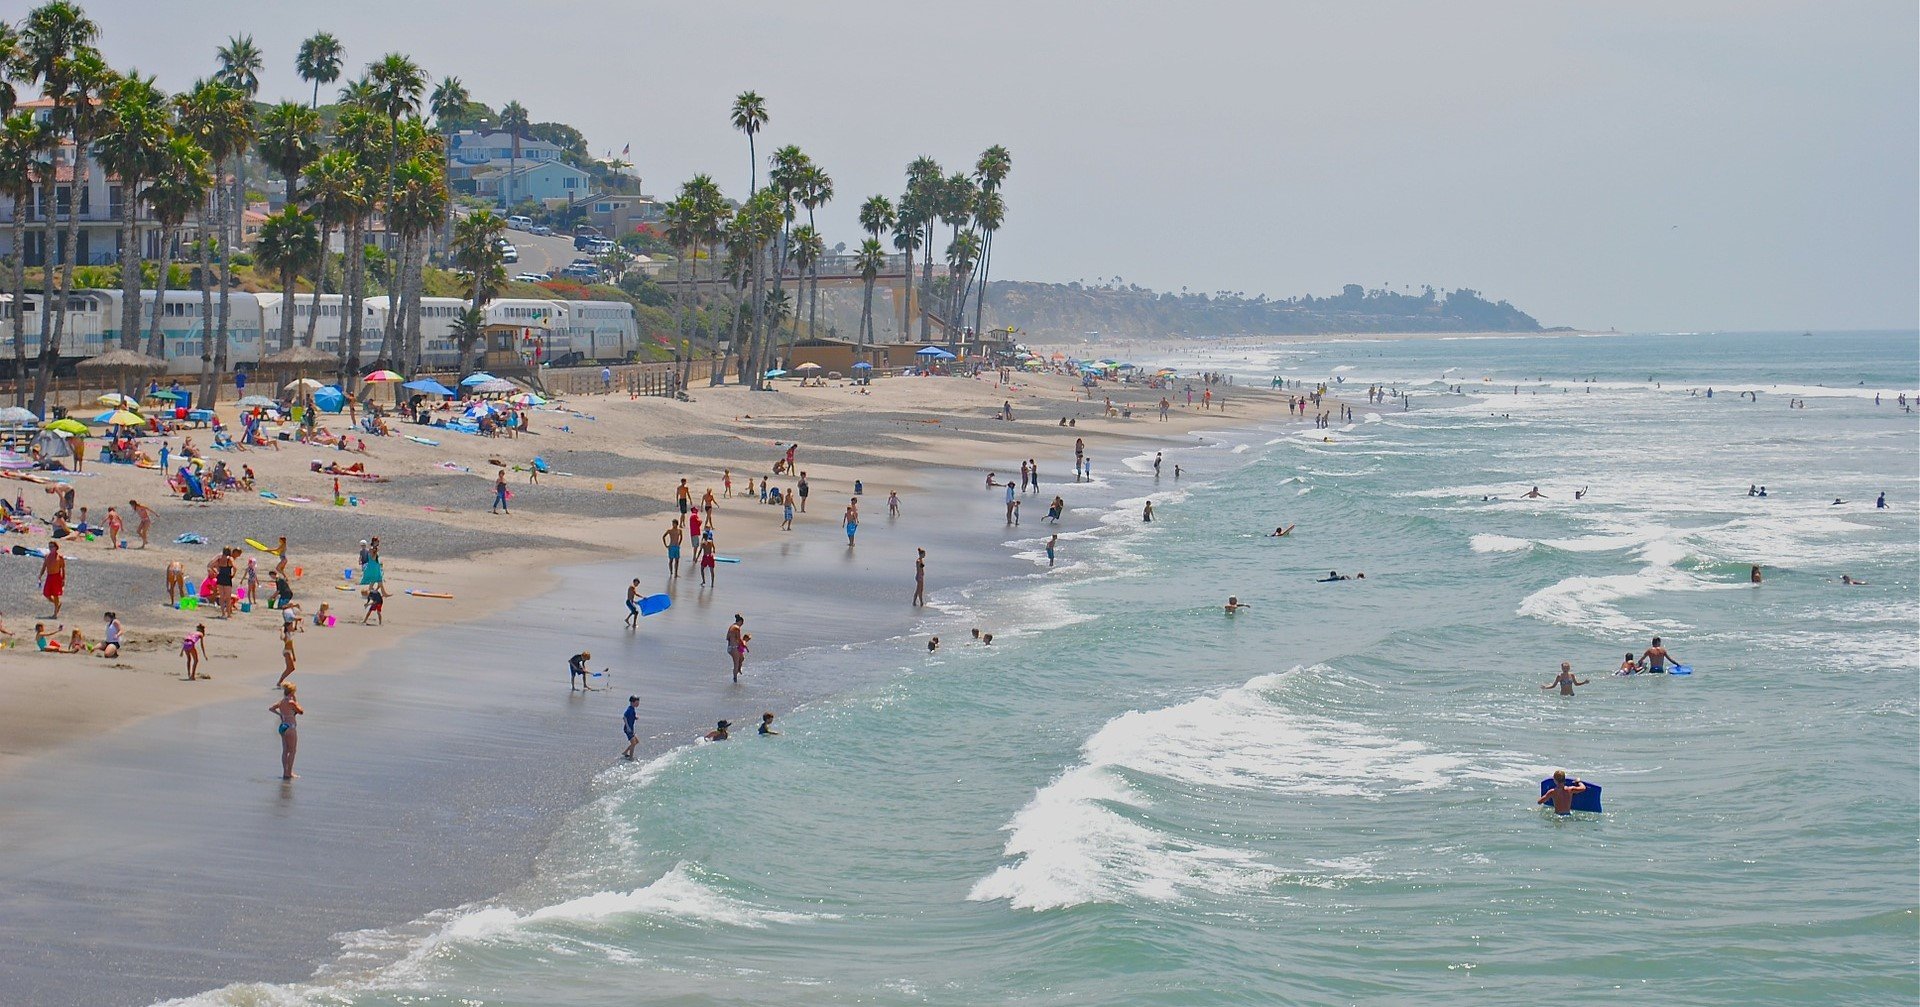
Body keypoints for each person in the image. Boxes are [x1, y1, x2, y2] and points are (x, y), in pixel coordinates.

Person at [269, 684, 305, 780]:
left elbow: (271, 708)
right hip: (290, 727)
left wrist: (280, 714)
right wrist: (296, 701)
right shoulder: (291, 702)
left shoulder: (281, 702)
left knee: (285, 750)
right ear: (292, 692)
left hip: (282, 726)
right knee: (292, 751)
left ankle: (285, 771)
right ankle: (289, 773)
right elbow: (301, 711)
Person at [39, 541, 66, 618]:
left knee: (56, 594)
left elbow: (63, 569)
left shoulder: (60, 557)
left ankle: (55, 614)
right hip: (49, 576)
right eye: (49, 546)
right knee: (46, 593)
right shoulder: (47, 556)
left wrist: (63, 579)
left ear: (56, 547)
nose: (50, 548)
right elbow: (44, 566)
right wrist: (40, 575)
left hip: (56, 577)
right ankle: (57, 604)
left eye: (52, 546)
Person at [727, 615, 748, 682]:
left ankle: (738, 669)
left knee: (742, 658)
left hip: (730, 647)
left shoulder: (731, 626)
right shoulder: (737, 628)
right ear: (740, 621)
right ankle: (735, 679)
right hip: (734, 648)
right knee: (736, 663)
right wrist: (744, 645)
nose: (742, 625)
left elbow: (727, 638)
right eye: (742, 623)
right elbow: (739, 639)